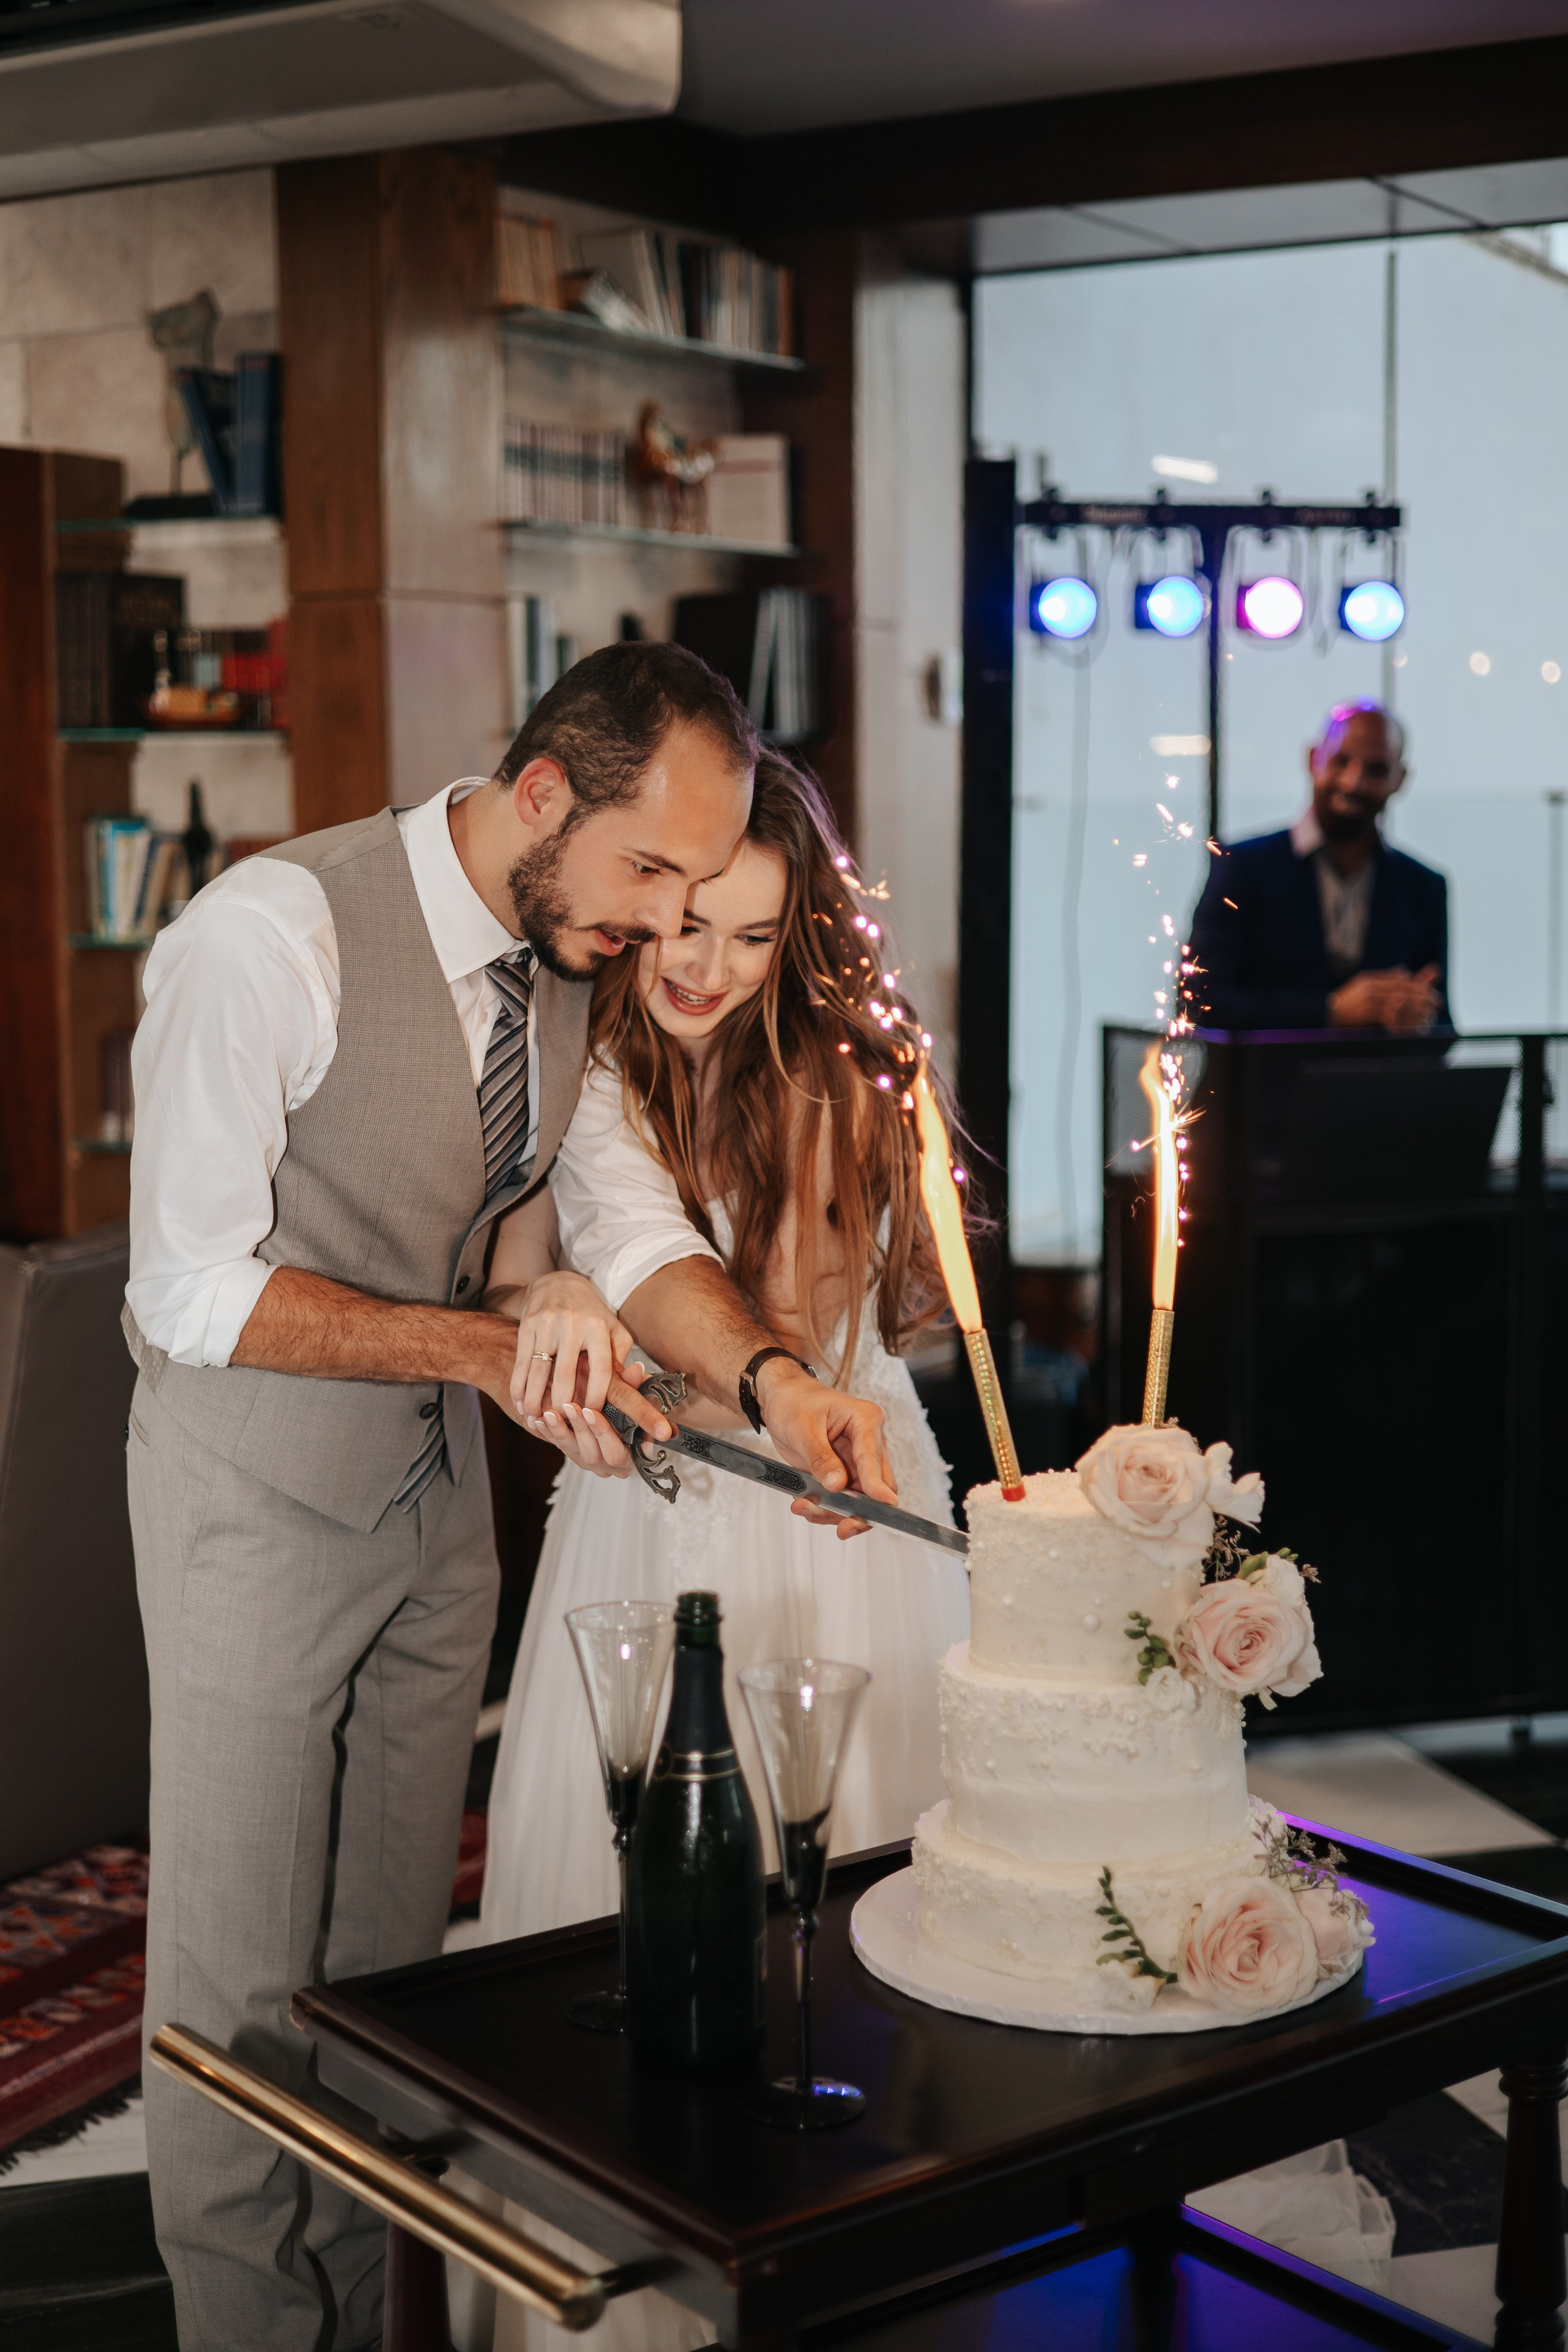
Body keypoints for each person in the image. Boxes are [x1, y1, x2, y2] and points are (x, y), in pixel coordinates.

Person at [123, 644, 899, 2352]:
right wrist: (482, 1341)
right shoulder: (267, 939)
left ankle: (368, 2313)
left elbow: (623, 1224)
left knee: (392, 1987)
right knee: (240, 1984)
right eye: (649, 875)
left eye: (700, 888)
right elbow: (180, 1288)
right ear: (544, 794)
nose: (665, 925)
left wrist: (780, 1384)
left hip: (430, 1520)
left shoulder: (564, 957)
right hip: (252, 1507)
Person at [477, 749, 971, 2352]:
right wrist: (572, 1304)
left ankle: (865, 2224)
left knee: (855, 1872)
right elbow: (585, 1243)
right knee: (647, 1887)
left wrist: (746, 1370)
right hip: (663, 1494)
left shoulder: (838, 1073)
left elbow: (812, 1322)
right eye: (690, 922)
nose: (708, 968)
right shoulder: (575, 1044)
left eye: (757, 939)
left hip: (833, 1479)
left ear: (799, 943)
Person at [1187, 701, 1449, 1033]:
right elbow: (1199, 1003)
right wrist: (1331, 1011)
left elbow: (1443, 1022)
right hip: (1266, 1083)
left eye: (1376, 770)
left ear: (1400, 779)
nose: (1354, 782)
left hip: (1381, 1083)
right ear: (1313, 759)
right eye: (1341, 761)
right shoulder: (1242, 869)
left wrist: (1420, 1021)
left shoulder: (1423, 887)